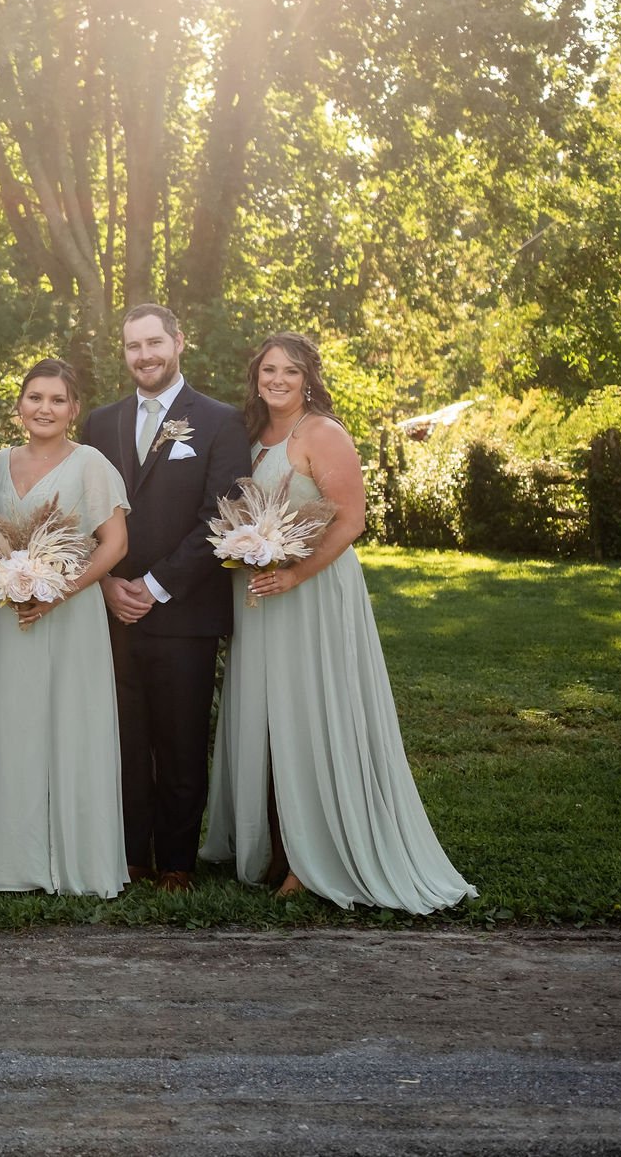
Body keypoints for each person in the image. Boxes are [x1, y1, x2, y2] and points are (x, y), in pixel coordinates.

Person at [201, 333, 476, 912]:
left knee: (308, 713)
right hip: (260, 596)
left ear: (309, 380)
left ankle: (314, 855)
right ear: (256, 376)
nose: (277, 380)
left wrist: (296, 575)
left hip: (310, 596)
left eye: (290, 372)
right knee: (268, 717)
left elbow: (351, 519)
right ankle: (273, 847)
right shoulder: (253, 437)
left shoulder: (322, 433)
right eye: (269, 370)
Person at [82, 304, 250, 891]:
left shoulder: (221, 421)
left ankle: (177, 860)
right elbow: (82, 517)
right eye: (133, 346)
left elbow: (220, 516)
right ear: (123, 352)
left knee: (179, 741)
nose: (145, 355)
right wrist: (104, 583)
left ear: (180, 341)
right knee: (125, 738)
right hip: (111, 609)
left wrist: (153, 587)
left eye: (154, 342)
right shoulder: (101, 423)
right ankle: (132, 854)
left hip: (183, 610)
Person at [0, 359, 130, 898]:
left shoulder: (91, 464)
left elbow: (114, 543)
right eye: (35, 398)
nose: (45, 409)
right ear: (19, 405)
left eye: (57, 400)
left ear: (74, 408)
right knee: (15, 726)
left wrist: (59, 590)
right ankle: (15, 860)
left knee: (70, 723)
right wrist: (7, 580)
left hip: (70, 613)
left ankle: (77, 858)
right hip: (12, 615)